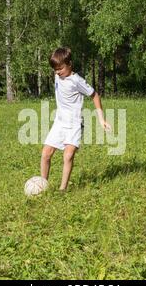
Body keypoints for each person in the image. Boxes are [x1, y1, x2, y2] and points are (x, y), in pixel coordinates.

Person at [41, 47, 112, 191]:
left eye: (60, 68)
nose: (57, 72)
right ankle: (42, 185)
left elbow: (95, 95)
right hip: (59, 123)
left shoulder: (76, 80)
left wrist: (101, 119)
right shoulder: (57, 75)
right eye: (55, 69)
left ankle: (62, 189)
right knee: (45, 154)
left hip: (74, 125)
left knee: (67, 156)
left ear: (70, 64)